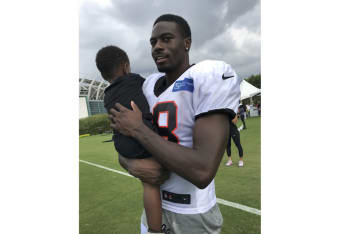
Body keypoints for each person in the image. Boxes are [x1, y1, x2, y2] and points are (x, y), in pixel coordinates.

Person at [109, 14, 242, 234]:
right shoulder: (146, 85)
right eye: (153, 42)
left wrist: (139, 129)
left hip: (193, 214)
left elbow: (202, 171)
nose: (157, 47)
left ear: (187, 43)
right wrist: (129, 164)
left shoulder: (208, 75)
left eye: (166, 39)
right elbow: (124, 141)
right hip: (154, 208)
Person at [95, 45, 169, 233]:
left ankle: (153, 230)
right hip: (140, 138)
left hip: (123, 144)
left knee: (147, 185)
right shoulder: (135, 81)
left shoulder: (108, 95)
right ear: (126, 66)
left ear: (104, 75)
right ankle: (155, 229)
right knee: (153, 182)